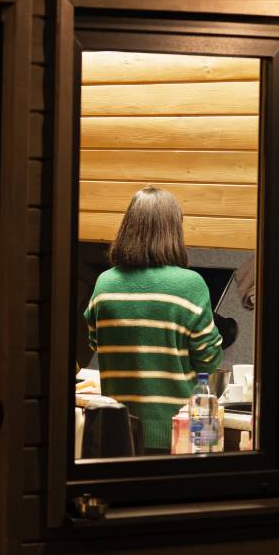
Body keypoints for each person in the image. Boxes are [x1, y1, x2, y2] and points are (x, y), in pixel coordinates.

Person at [84, 186, 224, 453]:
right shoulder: (190, 285)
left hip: (115, 435)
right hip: (176, 434)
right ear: (174, 231)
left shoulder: (105, 283)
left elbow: (96, 343)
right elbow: (210, 359)